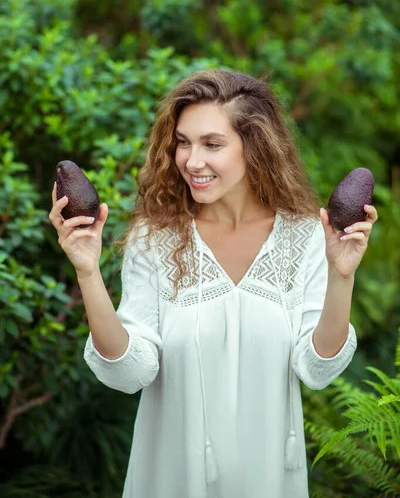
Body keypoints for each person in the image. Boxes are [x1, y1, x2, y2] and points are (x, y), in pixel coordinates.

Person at [49, 69, 378, 498]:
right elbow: (131, 371)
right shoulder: (156, 238)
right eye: (183, 142)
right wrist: (87, 271)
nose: (191, 160)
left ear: (254, 147)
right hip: (170, 479)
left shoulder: (306, 236)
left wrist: (341, 275)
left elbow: (316, 369)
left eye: (212, 144)